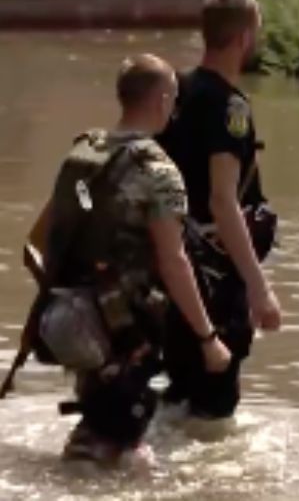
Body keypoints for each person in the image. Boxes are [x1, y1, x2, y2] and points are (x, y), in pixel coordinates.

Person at [7, 55, 232, 465]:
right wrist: (208, 338)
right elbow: (174, 261)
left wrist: (62, 297)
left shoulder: (83, 154)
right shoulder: (158, 170)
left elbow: (39, 242)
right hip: (126, 327)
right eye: (173, 99)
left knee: (101, 424)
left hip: (72, 317)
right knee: (118, 443)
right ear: (162, 100)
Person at [157, 0, 282, 424]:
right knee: (214, 410)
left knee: (179, 393)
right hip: (214, 276)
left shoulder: (171, 90)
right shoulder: (230, 106)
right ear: (244, 38)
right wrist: (260, 289)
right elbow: (223, 201)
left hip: (171, 269)